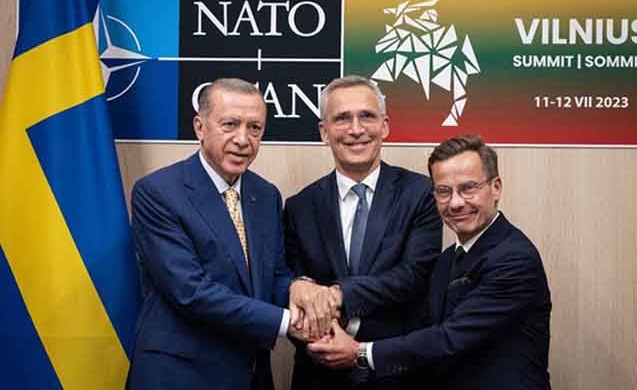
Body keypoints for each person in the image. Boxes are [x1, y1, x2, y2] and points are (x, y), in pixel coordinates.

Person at [126, 78, 330, 390]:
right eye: (230, 125)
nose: (243, 139)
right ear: (200, 127)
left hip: (250, 373)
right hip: (180, 375)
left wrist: (299, 288)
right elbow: (190, 291)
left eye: (255, 128)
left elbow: (272, 274)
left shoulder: (265, 195)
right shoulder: (157, 192)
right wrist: (289, 322)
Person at [309, 135, 552, 390]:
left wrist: (360, 353)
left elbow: (450, 338)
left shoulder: (514, 258)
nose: (456, 203)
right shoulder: (447, 260)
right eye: (444, 191)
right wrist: (346, 324)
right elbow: (417, 329)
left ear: (496, 187)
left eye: (468, 188)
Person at [283, 75, 443, 389]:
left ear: (385, 126)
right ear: (324, 132)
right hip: (318, 375)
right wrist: (324, 334)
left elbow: (414, 276)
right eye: (342, 118)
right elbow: (294, 288)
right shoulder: (299, 206)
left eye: (366, 116)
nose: (356, 129)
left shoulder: (421, 193)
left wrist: (338, 295)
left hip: (395, 374)